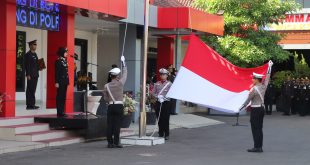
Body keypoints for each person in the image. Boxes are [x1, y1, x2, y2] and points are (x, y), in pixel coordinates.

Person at [241, 61, 272, 153]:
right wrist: (269, 67)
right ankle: (259, 146)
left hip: (255, 109)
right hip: (262, 108)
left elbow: (248, 100)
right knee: (259, 128)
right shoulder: (263, 86)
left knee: (255, 128)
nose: (252, 80)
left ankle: (257, 147)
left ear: (257, 79)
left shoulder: (254, 89)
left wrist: (241, 107)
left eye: (253, 78)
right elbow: (267, 78)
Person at [103, 56, 127, 148]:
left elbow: (105, 98)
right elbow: (125, 74)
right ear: (117, 76)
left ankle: (110, 143)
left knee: (110, 125)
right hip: (118, 106)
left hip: (110, 106)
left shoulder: (106, 85)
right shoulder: (120, 83)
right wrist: (124, 63)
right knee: (117, 125)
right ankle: (116, 142)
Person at [152, 68, 172, 140]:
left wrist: (164, 97)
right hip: (159, 102)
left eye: (164, 75)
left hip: (166, 102)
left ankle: (166, 134)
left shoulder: (169, 84)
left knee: (166, 118)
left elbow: (171, 94)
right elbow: (153, 93)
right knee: (159, 118)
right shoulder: (157, 83)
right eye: (161, 74)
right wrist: (158, 96)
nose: (162, 76)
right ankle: (161, 133)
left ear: (167, 76)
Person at [24, 40, 40, 110]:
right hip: (30, 75)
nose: (35, 46)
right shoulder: (27, 54)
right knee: (29, 90)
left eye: (36, 44)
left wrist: (40, 67)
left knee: (33, 90)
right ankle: (29, 105)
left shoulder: (35, 54)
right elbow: (26, 65)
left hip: (35, 75)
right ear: (30, 46)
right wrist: (28, 74)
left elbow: (36, 64)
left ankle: (32, 104)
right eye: (34, 44)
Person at [55, 47, 69, 117]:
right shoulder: (58, 61)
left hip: (65, 81)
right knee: (59, 97)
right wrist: (56, 82)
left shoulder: (64, 61)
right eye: (65, 52)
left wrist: (67, 81)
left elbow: (66, 72)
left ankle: (62, 111)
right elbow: (57, 73)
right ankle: (59, 112)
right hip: (60, 82)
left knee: (63, 97)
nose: (66, 53)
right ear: (62, 53)